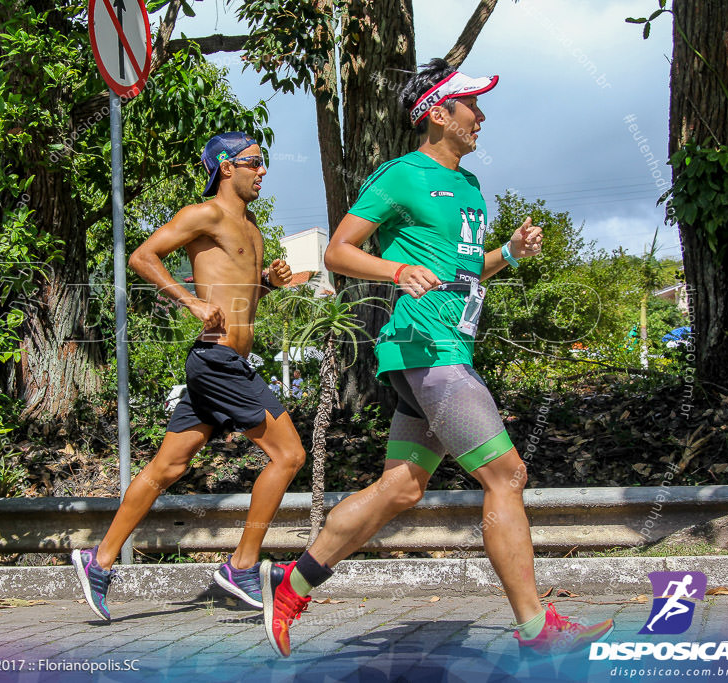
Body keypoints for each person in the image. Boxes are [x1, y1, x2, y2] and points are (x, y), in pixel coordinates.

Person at [259, 59, 615, 657]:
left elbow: (466, 273)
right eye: (470, 105)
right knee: (507, 475)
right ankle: (536, 629)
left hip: (444, 346)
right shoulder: (402, 176)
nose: (482, 116)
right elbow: (339, 253)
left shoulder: (471, 187)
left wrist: (510, 250)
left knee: (401, 488)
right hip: (429, 348)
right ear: (436, 113)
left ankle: (290, 588)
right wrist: (395, 269)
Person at [72, 132, 306, 619]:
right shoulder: (205, 214)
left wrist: (270, 281)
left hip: (225, 361)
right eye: (254, 163)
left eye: (264, 164)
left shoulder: (252, 227)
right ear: (226, 167)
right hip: (217, 361)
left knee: (168, 468)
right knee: (289, 454)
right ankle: (241, 567)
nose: (263, 171)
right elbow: (142, 256)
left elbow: (243, 292)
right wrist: (191, 300)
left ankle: (100, 560)